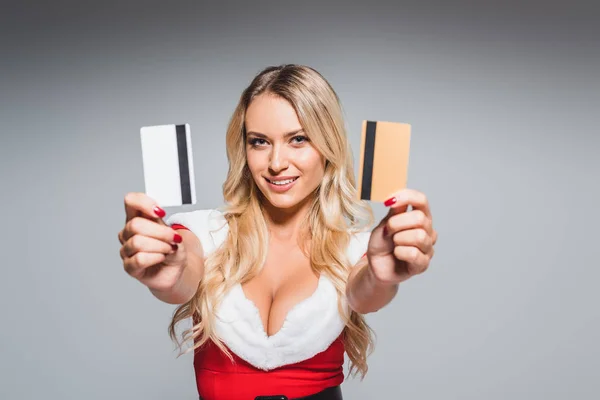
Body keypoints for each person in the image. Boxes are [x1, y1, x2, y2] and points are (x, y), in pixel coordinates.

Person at [118, 64, 437, 400]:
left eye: (297, 139)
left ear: (327, 146)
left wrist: (380, 276)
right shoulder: (207, 233)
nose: (276, 163)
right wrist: (168, 273)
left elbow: (364, 291)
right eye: (260, 142)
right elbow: (184, 270)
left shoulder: (357, 248)